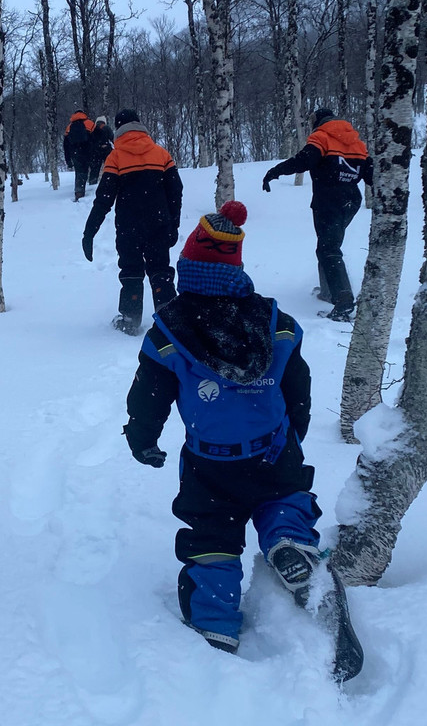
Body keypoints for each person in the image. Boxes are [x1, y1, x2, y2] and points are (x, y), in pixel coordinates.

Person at [122, 201, 360, 679]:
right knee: (287, 500)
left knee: (211, 536)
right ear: (236, 271)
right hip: (273, 451)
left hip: (210, 462)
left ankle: (214, 621)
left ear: (189, 269)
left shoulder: (170, 330)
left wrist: (142, 437)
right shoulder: (276, 323)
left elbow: (149, 394)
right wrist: (294, 434)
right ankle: (291, 540)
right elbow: (299, 387)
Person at [262, 107, 372, 322]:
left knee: (328, 248)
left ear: (318, 122)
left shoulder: (322, 137)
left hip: (328, 201)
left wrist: (274, 171)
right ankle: (330, 292)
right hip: (350, 200)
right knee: (327, 245)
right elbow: (371, 174)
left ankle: (343, 300)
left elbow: (302, 161)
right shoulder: (357, 143)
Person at [82, 108, 183, 335]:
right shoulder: (161, 154)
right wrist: (173, 223)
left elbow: (103, 199)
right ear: (140, 125)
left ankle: (130, 319)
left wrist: (89, 232)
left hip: (129, 227)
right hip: (158, 223)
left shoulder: (115, 157)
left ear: (118, 129)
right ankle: (168, 320)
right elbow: (176, 191)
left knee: (131, 270)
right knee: (160, 270)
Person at [63, 109, 96, 200]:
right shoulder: (90, 123)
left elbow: (65, 144)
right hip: (87, 151)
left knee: (79, 172)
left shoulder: (69, 127)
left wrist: (68, 159)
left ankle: (79, 191)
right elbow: (96, 138)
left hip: (75, 153)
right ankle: (92, 186)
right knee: (88, 170)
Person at [87, 115, 114, 186]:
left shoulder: (93, 128)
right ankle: (109, 181)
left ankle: (92, 183)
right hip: (106, 150)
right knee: (109, 167)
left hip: (95, 151)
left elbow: (90, 141)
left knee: (95, 168)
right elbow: (112, 138)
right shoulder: (107, 128)